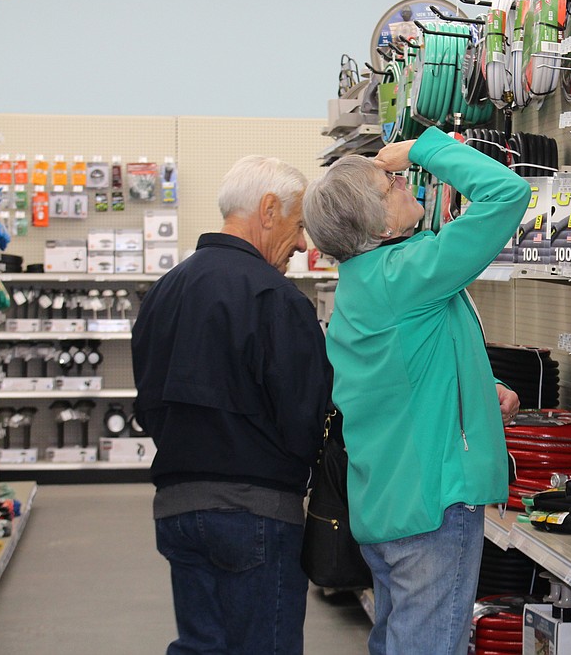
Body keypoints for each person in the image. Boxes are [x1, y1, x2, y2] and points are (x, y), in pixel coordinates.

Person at [302, 126, 529, 655]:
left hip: (390, 500)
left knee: (399, 640)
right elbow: (507, 193)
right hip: (433, 506)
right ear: (375, 222)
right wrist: (426, 147)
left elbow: (401, 376)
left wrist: (481, 388)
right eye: (392, 187)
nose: (406, 185)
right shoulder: (404, 275)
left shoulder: (371, 282)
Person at [131, 155, 332, 655]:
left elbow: (149, 401)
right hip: (256, 512)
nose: (304, 244)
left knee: (202, 646)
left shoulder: (164, 291)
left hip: (176, 508)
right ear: (268, 210)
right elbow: (305, 415)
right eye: (299, 224)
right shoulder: (276, 299)